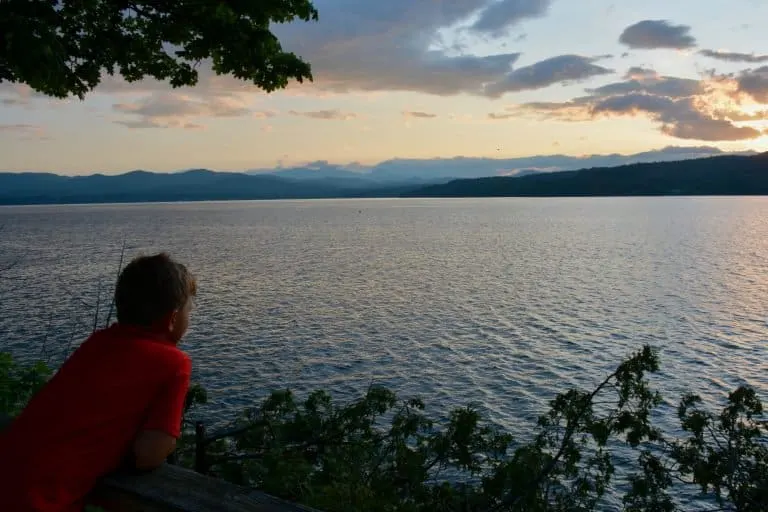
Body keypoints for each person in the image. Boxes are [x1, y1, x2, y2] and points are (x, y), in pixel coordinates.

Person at [0, 253, 196, 512]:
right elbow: (149, 455)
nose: (190, 317)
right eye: (189, 310)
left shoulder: (97, 343)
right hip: (38, 502)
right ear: (172, 319)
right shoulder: (173, 362)